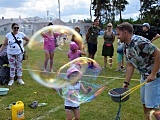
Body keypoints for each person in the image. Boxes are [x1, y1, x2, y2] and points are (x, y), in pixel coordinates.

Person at [116, 22, 160, 120]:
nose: (117, 37)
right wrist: (126, 82)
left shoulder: (140, 42)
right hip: (144, 76)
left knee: (152, 105)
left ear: (125, 33)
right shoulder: (126, 46)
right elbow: (130, 64)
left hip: (155, 77)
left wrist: (153, 74)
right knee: (145, 103)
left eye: (118, 34)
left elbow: (158, 54)